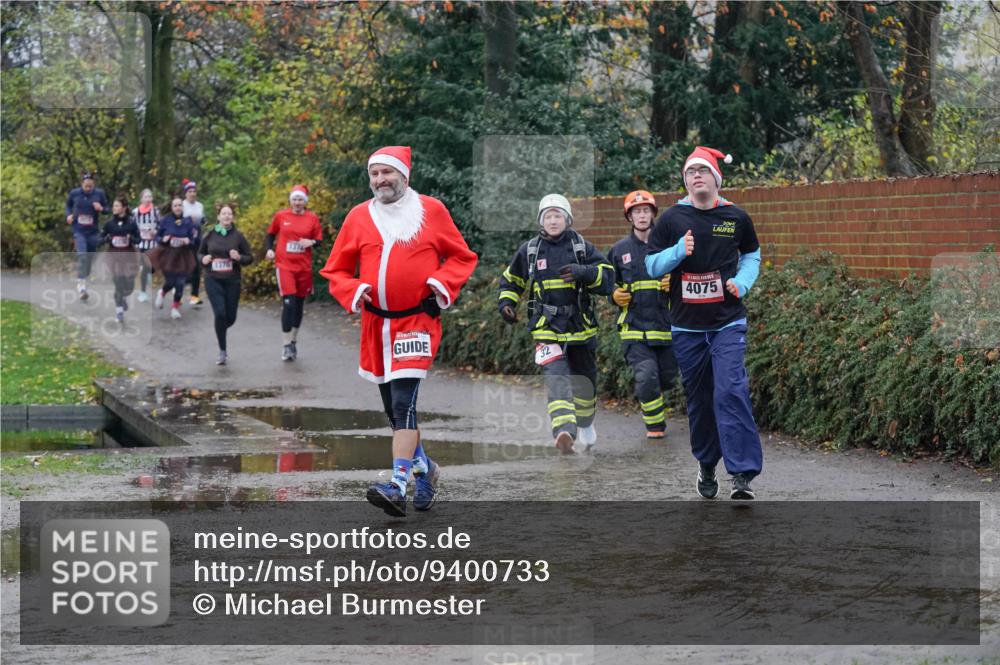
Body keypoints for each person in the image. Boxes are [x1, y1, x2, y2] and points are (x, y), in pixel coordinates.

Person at [320, 146, 477, 516]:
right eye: (374, 174)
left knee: (405, 403)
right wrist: (354, 290)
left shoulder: (431, 211)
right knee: (394, 411)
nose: (380, 180)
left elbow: (462, 256)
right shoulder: (359, 216)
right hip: (377, 325)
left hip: (416, 322)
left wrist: (440, 285)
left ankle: (397, 483)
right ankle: (426, 469)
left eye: (387, 173)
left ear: (404, 175)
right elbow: (334, 270)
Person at [644, 146, 763, 500]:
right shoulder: (671, 219)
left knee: (731, 391)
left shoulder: (736, 216)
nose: (696, 176)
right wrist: (679, 251)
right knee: (700, 400)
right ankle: (707, 463)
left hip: (727, 323)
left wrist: (742, 283)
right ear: (686, 182)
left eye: (702, 170)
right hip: (686, 327)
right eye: (689, 172)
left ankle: (741, 475)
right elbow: (651, 266)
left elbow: (752, 256)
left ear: (715, 177)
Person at [497, 194, 615, 453]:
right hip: (546, 327)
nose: (552, 220)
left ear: (567, 219)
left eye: (557, 215)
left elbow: (608, 279)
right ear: (541, 220)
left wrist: (585, 272)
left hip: (580, 327)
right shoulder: (529, 250)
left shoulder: (581, 247)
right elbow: (511, 280)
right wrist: (507, 302)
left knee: (586, 383)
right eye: (548, 216)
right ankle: (564, 432)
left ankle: (584, 423)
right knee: (556, 379)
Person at [607, 191, 679, 439]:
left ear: (653, 214)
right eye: (636, 211)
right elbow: (607, 283)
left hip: (666, 327)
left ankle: (655, 399)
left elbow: (687, 275)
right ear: (629, 217)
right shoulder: (619, 250)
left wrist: (676, 281)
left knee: (668, 378)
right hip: (634, 329)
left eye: (646, 210)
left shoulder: (668, 247)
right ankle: (655, 427)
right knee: (647, 375)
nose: (641, 215)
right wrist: (613, 294)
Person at [266, 184, 323, 361]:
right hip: (284, 266)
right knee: (288, 303)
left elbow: (319, 240)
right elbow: (270, 234)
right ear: (290, 201)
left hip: (303, 268)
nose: (297, 202)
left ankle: (293, 341)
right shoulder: (281, 216)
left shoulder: (312, 218)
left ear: (304, 202)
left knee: (298, 305)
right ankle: (285, 345)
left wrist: (311, 242)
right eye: (295, 199)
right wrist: (269, 249)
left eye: (300, 200)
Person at [198, 202, 253, 365]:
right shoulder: (210, 235)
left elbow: (249, 258)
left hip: (232, 280)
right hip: (212, 278)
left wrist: (239, 258)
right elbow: (200, 252)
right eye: (224, 213)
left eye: (229, 214)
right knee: (220, 313)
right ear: (218, 217)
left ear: (233, 217)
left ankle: (220, 328)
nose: (226, 216)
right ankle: (222, 350)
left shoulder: (238, 236)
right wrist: (203, 259)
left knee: (230, 318)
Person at [148, 198, 197, 319]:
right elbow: (157, 237)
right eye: (175, 205)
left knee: (180, 283)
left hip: (183, 255)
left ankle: (174, 308)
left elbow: (193, 239)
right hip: (168, 255)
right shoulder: (166, 220)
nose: (178, 207)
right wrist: (162, 239)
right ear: (172, 207)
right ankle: (162, 292)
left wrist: (188, 240)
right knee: (170, 281)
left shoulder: (188, 221)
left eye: (180, 205)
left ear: (182, 207)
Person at [65, 172, 109, 301]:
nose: (88, 189)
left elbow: (107, 209)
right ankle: (81, 286)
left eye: (91, 186)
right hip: (79, 230)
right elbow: (68, 206)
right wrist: (68, 215)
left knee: (89, 259)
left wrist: (101, 208)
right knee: (82, 256)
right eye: (86, 186)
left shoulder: (99, 193)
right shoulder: (75, 193)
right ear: (82, 184)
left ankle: (83, 277)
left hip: (93, 232)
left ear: (94, 184)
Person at [99, 194, 141, 323]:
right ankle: (119, 312)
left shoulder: (131, 223)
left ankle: (123, 297)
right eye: (113, 206)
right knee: (118, 283)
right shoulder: (109, 224)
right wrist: (106, 239)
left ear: (124, 208)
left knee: (129, 284)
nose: (114, 208)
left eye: (117, 206)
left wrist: (131, 239)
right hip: (114, 256)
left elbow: (139, 240)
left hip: (128, 256)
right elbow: (99, 239)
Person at [132, 188, 160, 302]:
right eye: (146, 197)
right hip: (142, 243)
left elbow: (161, 225)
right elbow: (132, 226)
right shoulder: (136, 212)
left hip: (153, 243)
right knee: (145, 267)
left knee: (151, 267)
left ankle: (148, 272)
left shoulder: (156, 211)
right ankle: (143, 292)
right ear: (141, 199)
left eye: (150, 197)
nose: (148, 199)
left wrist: (156, 231)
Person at [181, 179, 206, 306]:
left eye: (194, 191)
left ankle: (194, 296)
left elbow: (203, 220)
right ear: (185, 193)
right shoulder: (181, 205)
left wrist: (202, 220)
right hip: (184, 241)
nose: (192, 194)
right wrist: (188, 220)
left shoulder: (200, 205)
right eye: (190, 191)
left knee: (197, 267)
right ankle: (178, 287)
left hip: (197, 240)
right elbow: (176, 222)